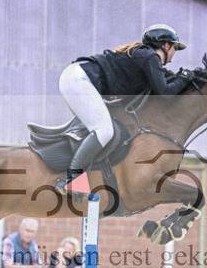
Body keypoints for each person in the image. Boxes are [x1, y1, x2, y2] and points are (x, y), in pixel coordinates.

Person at [56, 24, 193, 195]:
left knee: (104, 129)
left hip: (78, 78)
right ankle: (69, 179)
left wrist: (181, 79)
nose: (173, 55)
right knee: (104, 131)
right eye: (174, 48)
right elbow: (164, 93)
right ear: (166, 46)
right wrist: (185, 78)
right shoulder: (150, 56)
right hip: (79, 80)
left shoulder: (145, 56)